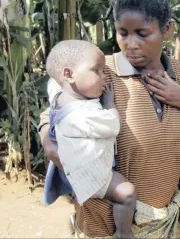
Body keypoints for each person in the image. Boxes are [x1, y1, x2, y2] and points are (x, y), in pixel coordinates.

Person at [38, 0, 180, 238]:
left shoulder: (178, 73)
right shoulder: (102, 76)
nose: (130, 44)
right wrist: (47, 135)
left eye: (142, 33)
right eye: (122, 33)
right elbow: (57, 100)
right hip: (106, 225)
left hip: (166, 220)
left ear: (167, 29)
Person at [44, 40, 136, 239]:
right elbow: (113, 126)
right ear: (68, 74)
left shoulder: (59, 92)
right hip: (93, 176)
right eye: (97, 70)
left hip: (74, 165)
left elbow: (52, 82)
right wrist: (110, 103)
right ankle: (124, 232)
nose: (105, 77)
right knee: (127, 194)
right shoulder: (81, 116)